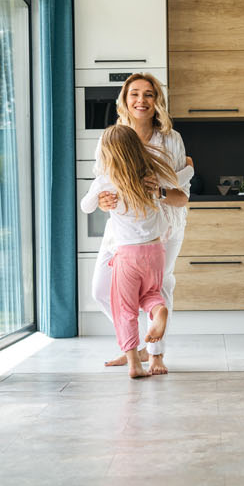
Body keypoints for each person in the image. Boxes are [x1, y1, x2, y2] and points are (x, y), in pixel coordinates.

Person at [91, 73, 192, 374]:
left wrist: (158, 190)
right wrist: (101, 201)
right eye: (134, 93)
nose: (141, 100)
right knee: (101, 289)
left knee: (162, 287)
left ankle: (156, 353)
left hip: (164, 226)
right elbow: (100, 183)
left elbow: (181, 196)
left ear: (156, 100)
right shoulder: (111, 137)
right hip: (122, 228)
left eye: (148, 94)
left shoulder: (171, 140)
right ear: (124, 99)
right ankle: (133, 344)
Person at [81, 125, 182, 378]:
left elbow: (85, 206)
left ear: (107, 152)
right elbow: (182, 197)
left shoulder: (106, 180)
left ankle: (135, 365)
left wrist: (99, 199)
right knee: (150, 295)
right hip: (156, 251)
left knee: (124, 309)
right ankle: (159, 311)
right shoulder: (151, 175)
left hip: (127, 256)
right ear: (137, 149)